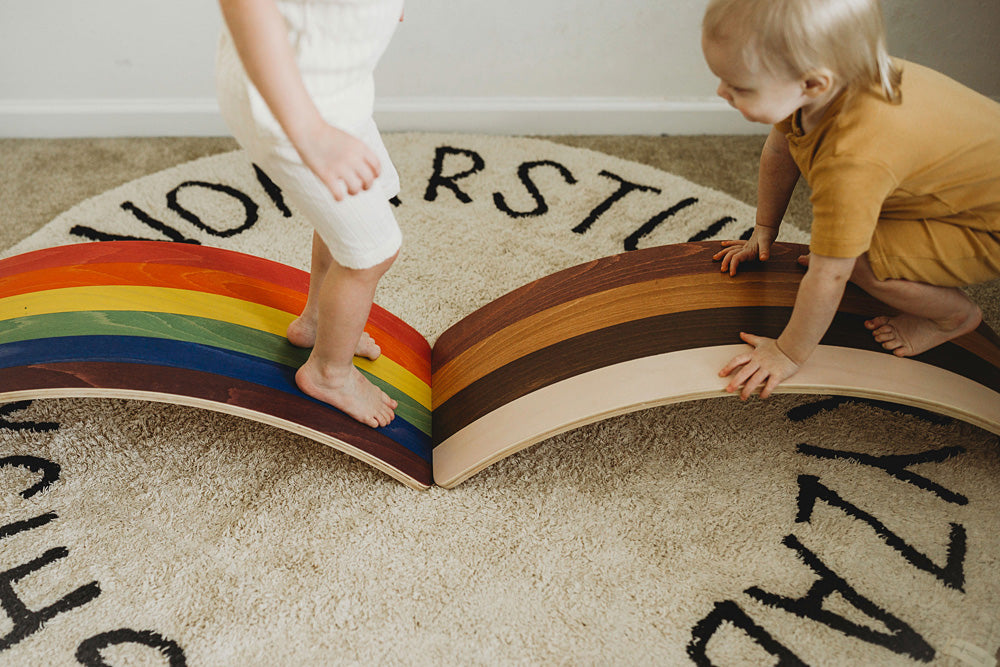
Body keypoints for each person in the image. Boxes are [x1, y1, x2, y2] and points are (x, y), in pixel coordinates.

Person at [701, 0, 1000, 400]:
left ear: (812, 84)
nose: (721, 92)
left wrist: (788, 353)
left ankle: (952, 317)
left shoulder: (852, 159)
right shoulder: (835, 78)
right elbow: (781, 149)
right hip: (956, 190)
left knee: (858, 261)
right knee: (841, 241)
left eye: (738, 87)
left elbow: (831, 275)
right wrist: (764, 229)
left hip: (986, 228)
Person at [216, 0, 406, 427]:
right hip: (294, 108)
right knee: (372, 252)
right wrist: (310, 131)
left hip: (336, 87)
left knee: (363, 205)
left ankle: (317, 322)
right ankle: (329, 374)